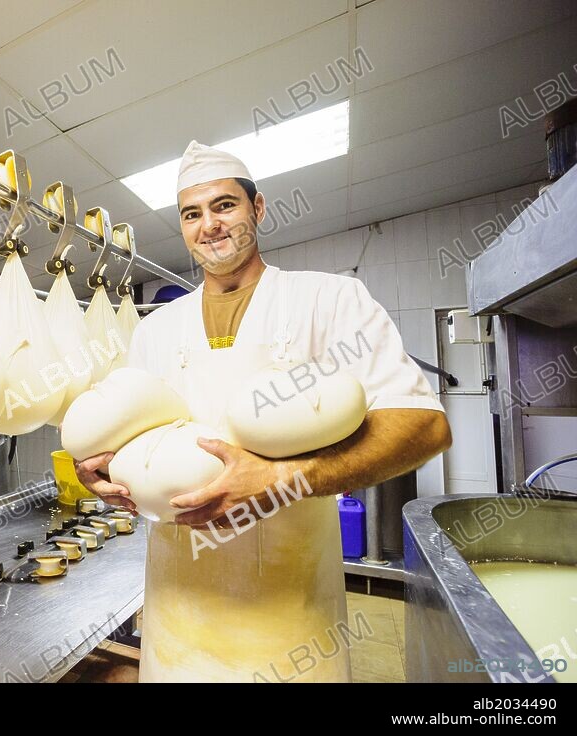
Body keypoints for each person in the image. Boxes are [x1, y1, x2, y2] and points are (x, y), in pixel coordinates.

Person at [74, 141, 451, 682]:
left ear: (259, 208)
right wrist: (104, 470)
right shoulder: (155, 329)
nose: (209, 225)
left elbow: (422, 424)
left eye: (224, 205)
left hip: (292, 619)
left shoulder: (329, 300)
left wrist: (284, 480)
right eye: (191, 213)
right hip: (177, 616)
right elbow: (139, 443)